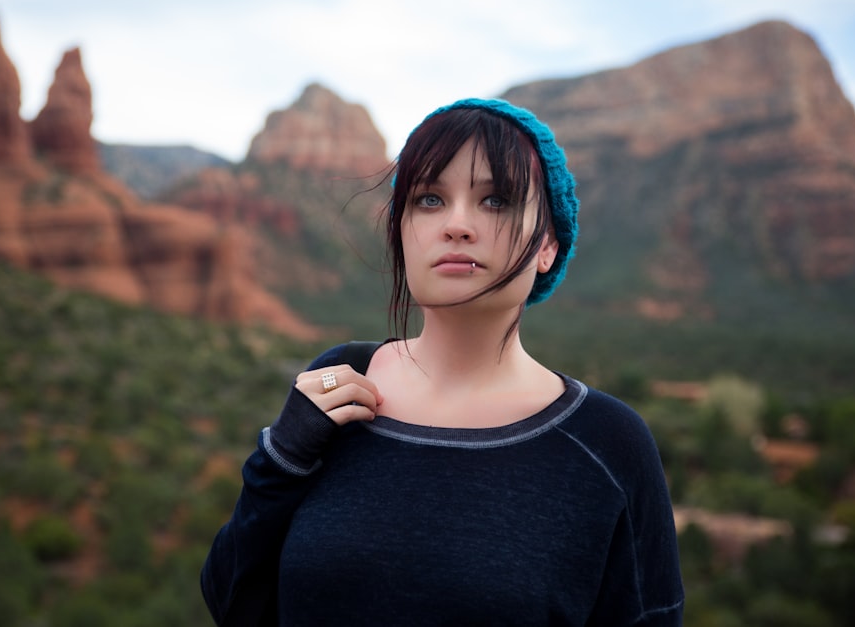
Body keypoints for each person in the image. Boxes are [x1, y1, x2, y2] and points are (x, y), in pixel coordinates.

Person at [200, 98, 684, 626]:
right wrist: (281, 458)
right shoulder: (340, 383)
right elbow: (231, 603)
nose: (456, 225)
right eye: (429, 199)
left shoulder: (608, 442)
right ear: (402, 232)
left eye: (496, 200)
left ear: (548, 244)